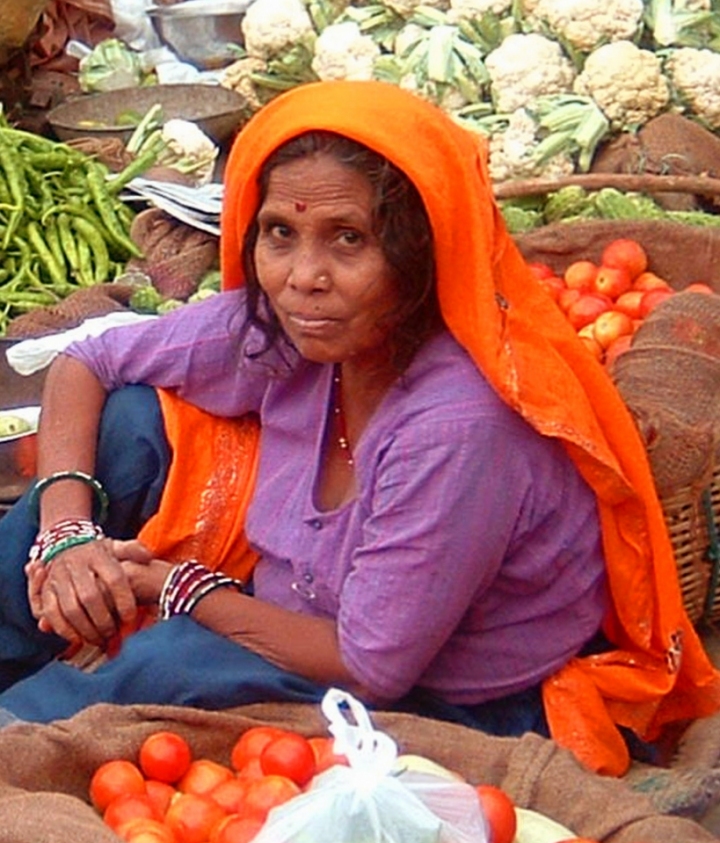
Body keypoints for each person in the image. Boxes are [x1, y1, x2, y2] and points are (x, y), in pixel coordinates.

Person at [0, 80, 717, 777]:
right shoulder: (289, 326)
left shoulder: (458, 425)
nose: (304, 276)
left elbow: (369, 661)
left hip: (435, 693)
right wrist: (68, 534)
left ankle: (20, 736)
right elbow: (85, 361)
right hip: (301, 604)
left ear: (420, 257)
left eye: (348, 240)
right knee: (128, 426)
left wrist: (178, 588)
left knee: (173, 662)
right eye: (281, 233)